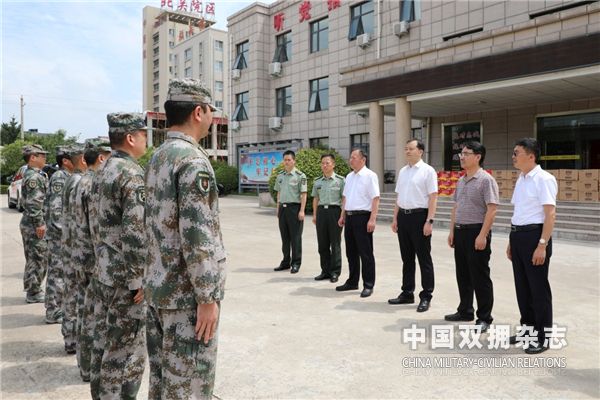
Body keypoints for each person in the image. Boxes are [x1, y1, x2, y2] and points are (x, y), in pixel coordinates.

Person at [145, 79, 227, 400]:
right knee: (190, 386)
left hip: (159, 291)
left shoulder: (159, 157)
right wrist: (207, 297)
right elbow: (197, 235)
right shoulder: (192, 161)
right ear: (198, 112)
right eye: (210, 112)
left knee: (164, 381)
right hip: (186, 299)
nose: (211, 118)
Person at [91, 113, 148, 399]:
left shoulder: (103, 170)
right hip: (125, 277)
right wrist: (138, 279)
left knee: (103, 341)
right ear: (130, 138)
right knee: (123, 349)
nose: (145, 140)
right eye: (143, 134)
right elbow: (135, 231)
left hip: (104, 270)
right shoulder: (131, 174)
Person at [507, 138, 557, 355]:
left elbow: (550, 214)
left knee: (538, 289)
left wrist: (542, 245)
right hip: (518, 236)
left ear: (531, 156)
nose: (513, 156)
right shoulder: (521, 178)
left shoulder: (544, 179)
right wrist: (511, 240)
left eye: (517, 153)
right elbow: (518, 212)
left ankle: (543, 336)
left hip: (535, 236)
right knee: (522, 288)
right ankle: (527, 330)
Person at [445, 142, 498, 332]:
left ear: (478, 157)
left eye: (466, 154)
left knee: (480, 276)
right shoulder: (461, 180)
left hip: (477, 232)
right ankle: (465, 310)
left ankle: (484, 317)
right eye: (461, 153)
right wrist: (452, 231)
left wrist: (482, 235)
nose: (462, 157)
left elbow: (492, 209)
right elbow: (456, 207)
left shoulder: (486, 180)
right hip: (460, 232)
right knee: (463, 274)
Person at [72, 141, 112, 384]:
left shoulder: (81, 182)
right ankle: (89, 366)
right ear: (100, 158)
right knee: (95, 320)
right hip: (94, 259)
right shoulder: (94, 184)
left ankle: (84, 364)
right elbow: (98, 230)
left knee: (86, 314)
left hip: (82, 255)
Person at [388, 139, 438, 312]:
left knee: (424, 258)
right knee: (407, 258)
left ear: (421, 151)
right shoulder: (403, 171)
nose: (407, 151)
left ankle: (426, 296)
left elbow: (433, 197)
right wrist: (395, 218)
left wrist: (429, 221)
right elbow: (399, 196)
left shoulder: (428, 171)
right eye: (406, 149)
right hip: (403, 217)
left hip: (420, 217)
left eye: (411, 149)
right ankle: (407, 293)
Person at [336, 149, 380, 298]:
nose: (351, 160)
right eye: (350, 158)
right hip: (349, 216)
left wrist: (372, 219)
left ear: (363, 160)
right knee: (351, 252)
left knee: (365, 253)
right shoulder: (349, 176)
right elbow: (345, 197)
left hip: (363, 217)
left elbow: (375, 198)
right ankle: (352, 281)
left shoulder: (370, 176)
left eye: (354, 158)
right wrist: (342, 215)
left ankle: (368, 284)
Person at [61, 144, 87, 354]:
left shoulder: (71, 179)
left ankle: (70, 337)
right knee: (76, 295)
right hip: (75, 246)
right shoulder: (79, 181)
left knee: (71, 293)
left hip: (70, 245)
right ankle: (73, 339)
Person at [44, 145, 73, 323]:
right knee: (56, 272)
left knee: (61, 272)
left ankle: (57, 307)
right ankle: (53, 310)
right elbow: (56, 211)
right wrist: (66, 234)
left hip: (62, 236)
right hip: (58, 236)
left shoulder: (66, 177)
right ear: (65, 161)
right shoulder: (60, 178)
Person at [19, 144, 49, 304]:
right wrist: (39, 223)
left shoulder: (36, 174)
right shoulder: (34, 177)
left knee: (36, 256)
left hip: (31, 222)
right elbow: (34, 203)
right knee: (37, 257)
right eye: (42, 155)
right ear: (33, 157)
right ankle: (33, 291)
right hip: (33, 223)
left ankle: (34, 289)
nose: (45, 157)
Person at [311, 154, 345, 283]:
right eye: (323, 163)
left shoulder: (341, 180)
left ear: (333, 164)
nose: (324, 165)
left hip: (335, 212)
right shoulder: (317, 181)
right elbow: (315, 198)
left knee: (335, 244)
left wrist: (343, 215)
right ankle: (325, 271)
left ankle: (335, 272)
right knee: (322, 244)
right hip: (321, 213)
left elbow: (344, 199)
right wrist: (315, 215)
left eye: (327, 163)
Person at [273, 150, 307, 274]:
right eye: (285, 160)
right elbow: (278, 193)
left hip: (294, 209)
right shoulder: (280, 176)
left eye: (289, 160)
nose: (286, 162)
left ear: (294, 161)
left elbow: (303, 194)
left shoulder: (300, 176)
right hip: (283, 209)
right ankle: (286, 261)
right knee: (285, 237)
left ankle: (296, 263)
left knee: (296, 237)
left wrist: (302, 211)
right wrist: (278, 208)